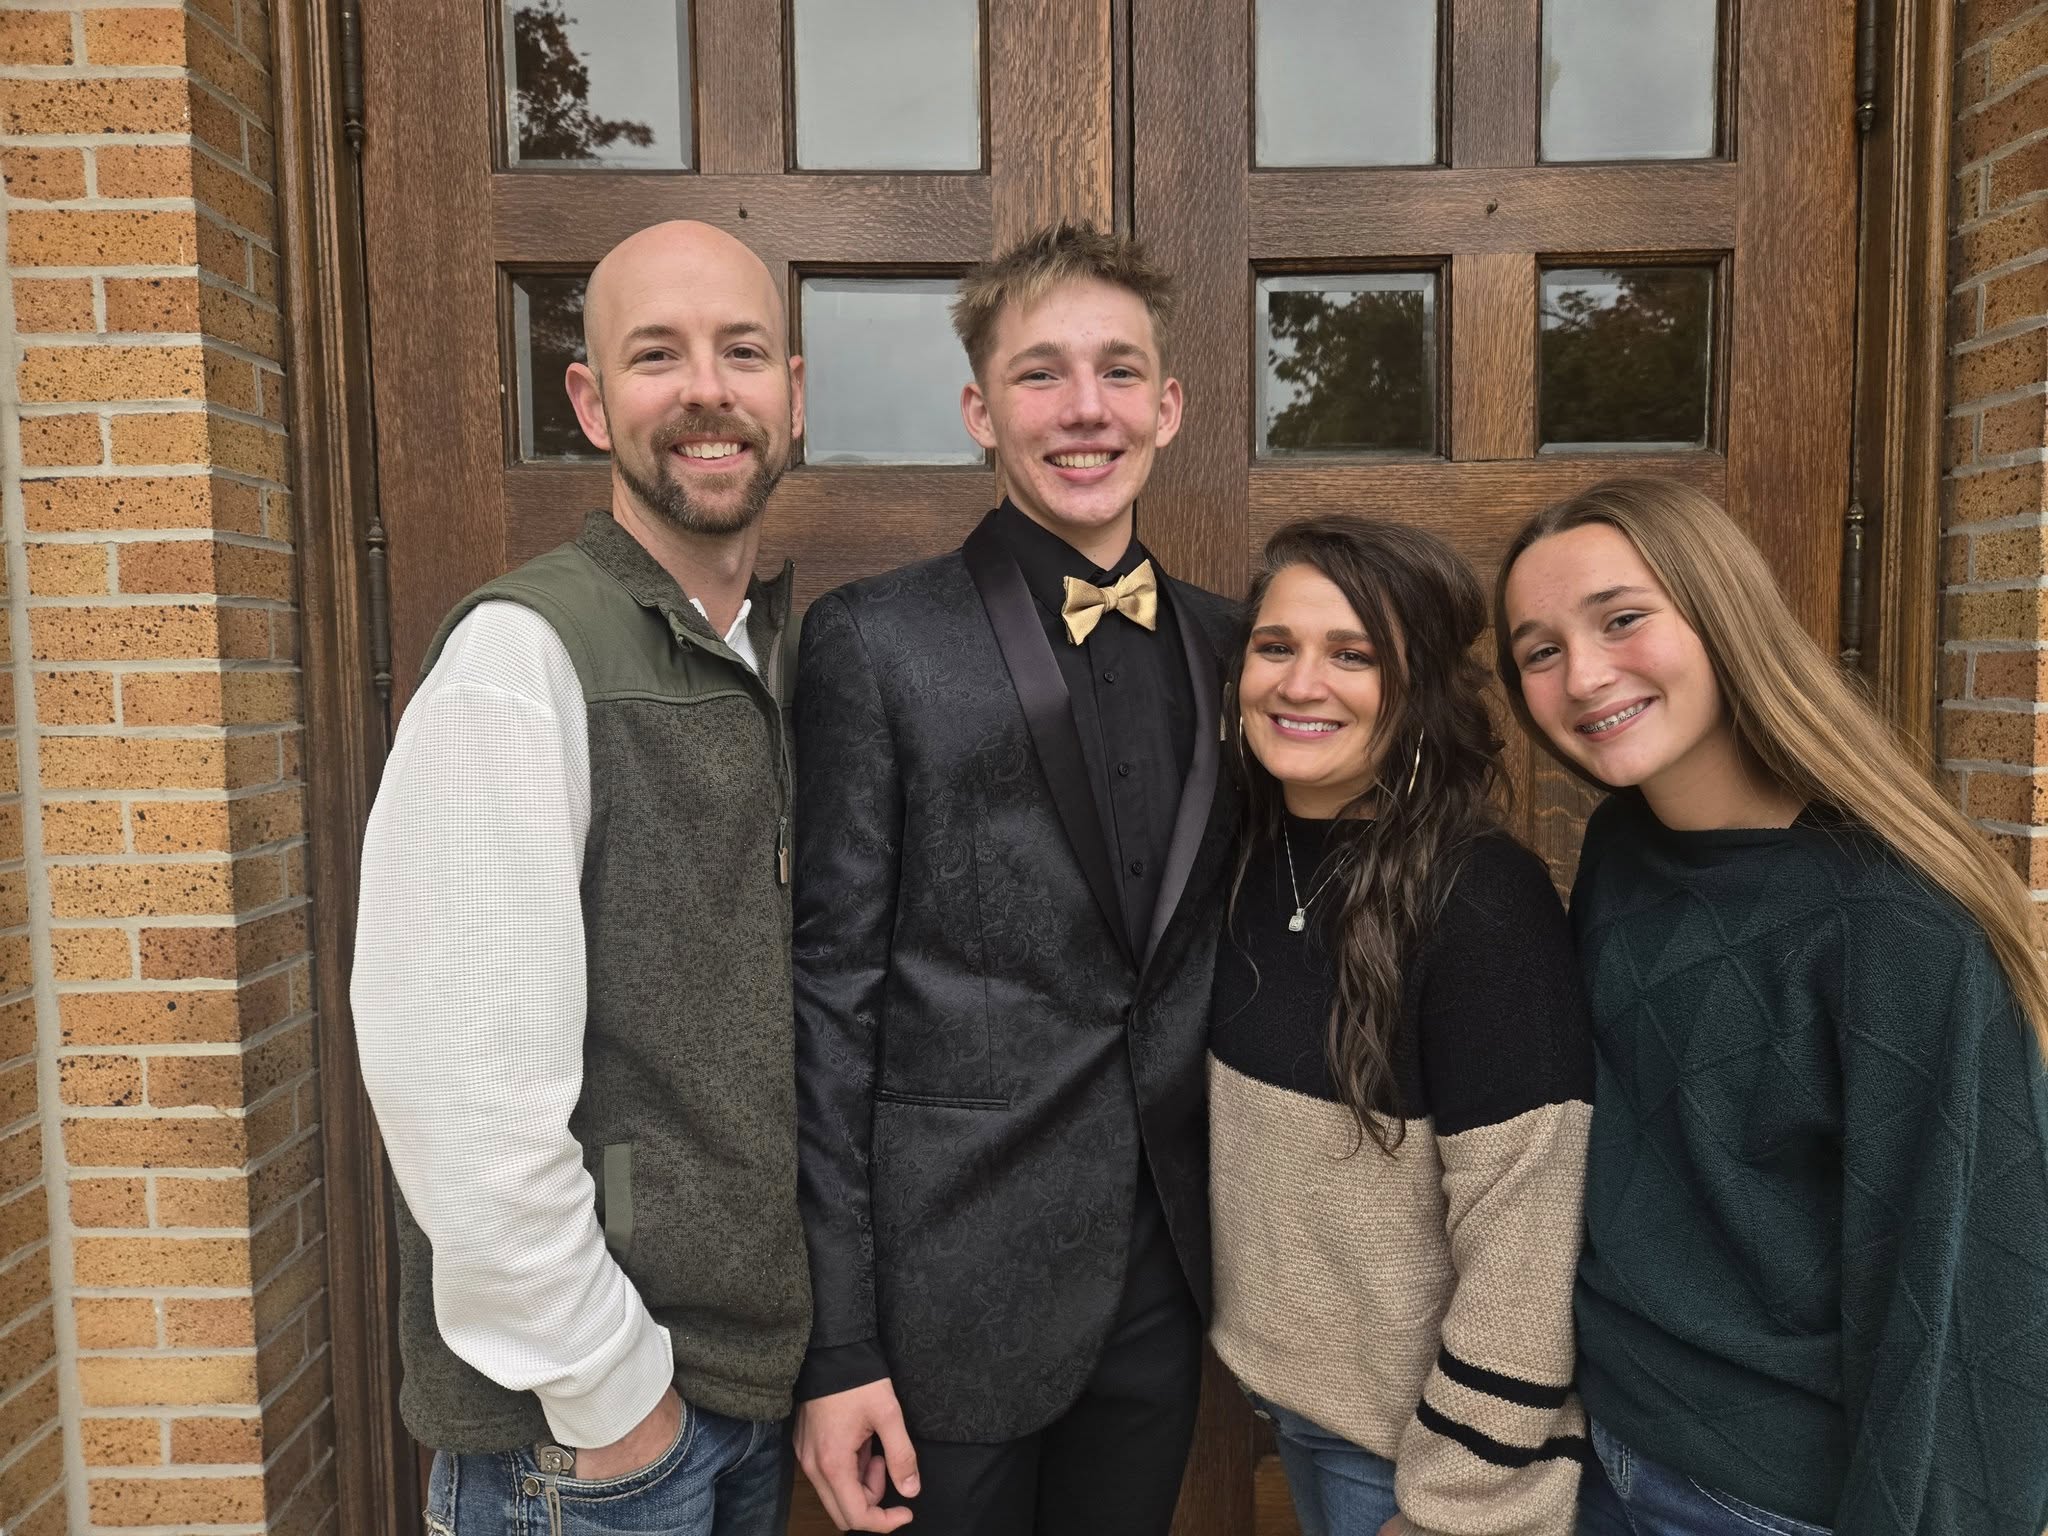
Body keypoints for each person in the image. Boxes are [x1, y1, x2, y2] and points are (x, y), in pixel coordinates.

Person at [352, 219, 810, 1535]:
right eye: (655, 356)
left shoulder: (762, 654)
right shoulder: (521, 661)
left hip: (727, 1402)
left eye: (741, 352)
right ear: (591, 401)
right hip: (586, 1447)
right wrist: (613, 1399)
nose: (707, 391)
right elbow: (456, 1090)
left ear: (793, 390)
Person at [789, 222, 1236, 1535]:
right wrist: (841, 1346)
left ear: (1169, 404)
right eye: (1041, 374)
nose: (1083, 408)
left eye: (1117, 370)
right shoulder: (874, 642)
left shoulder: (1234, 644)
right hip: (946, 1306)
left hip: (1165, 1284)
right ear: (982, 412)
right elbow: (830, 998)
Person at [1494, 477, 2048, 1536]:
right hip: (1597, 1442)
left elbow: (1968, 1308)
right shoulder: (1623, 848)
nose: (1583, 674)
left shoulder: (1893, 928)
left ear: (1718, 614)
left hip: (1760, 1499)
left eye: (1619, 620)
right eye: (1538, 651)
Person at [1209, 517, 1594, 1536]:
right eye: (1274, 646)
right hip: (1292, 1406)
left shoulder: (1477, 899)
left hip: (1412, 1464)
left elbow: (1526, 1237)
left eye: (1353, 656)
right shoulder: (1248, 854)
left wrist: (1458, 1507)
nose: (1299, 684)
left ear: (1417, 686)